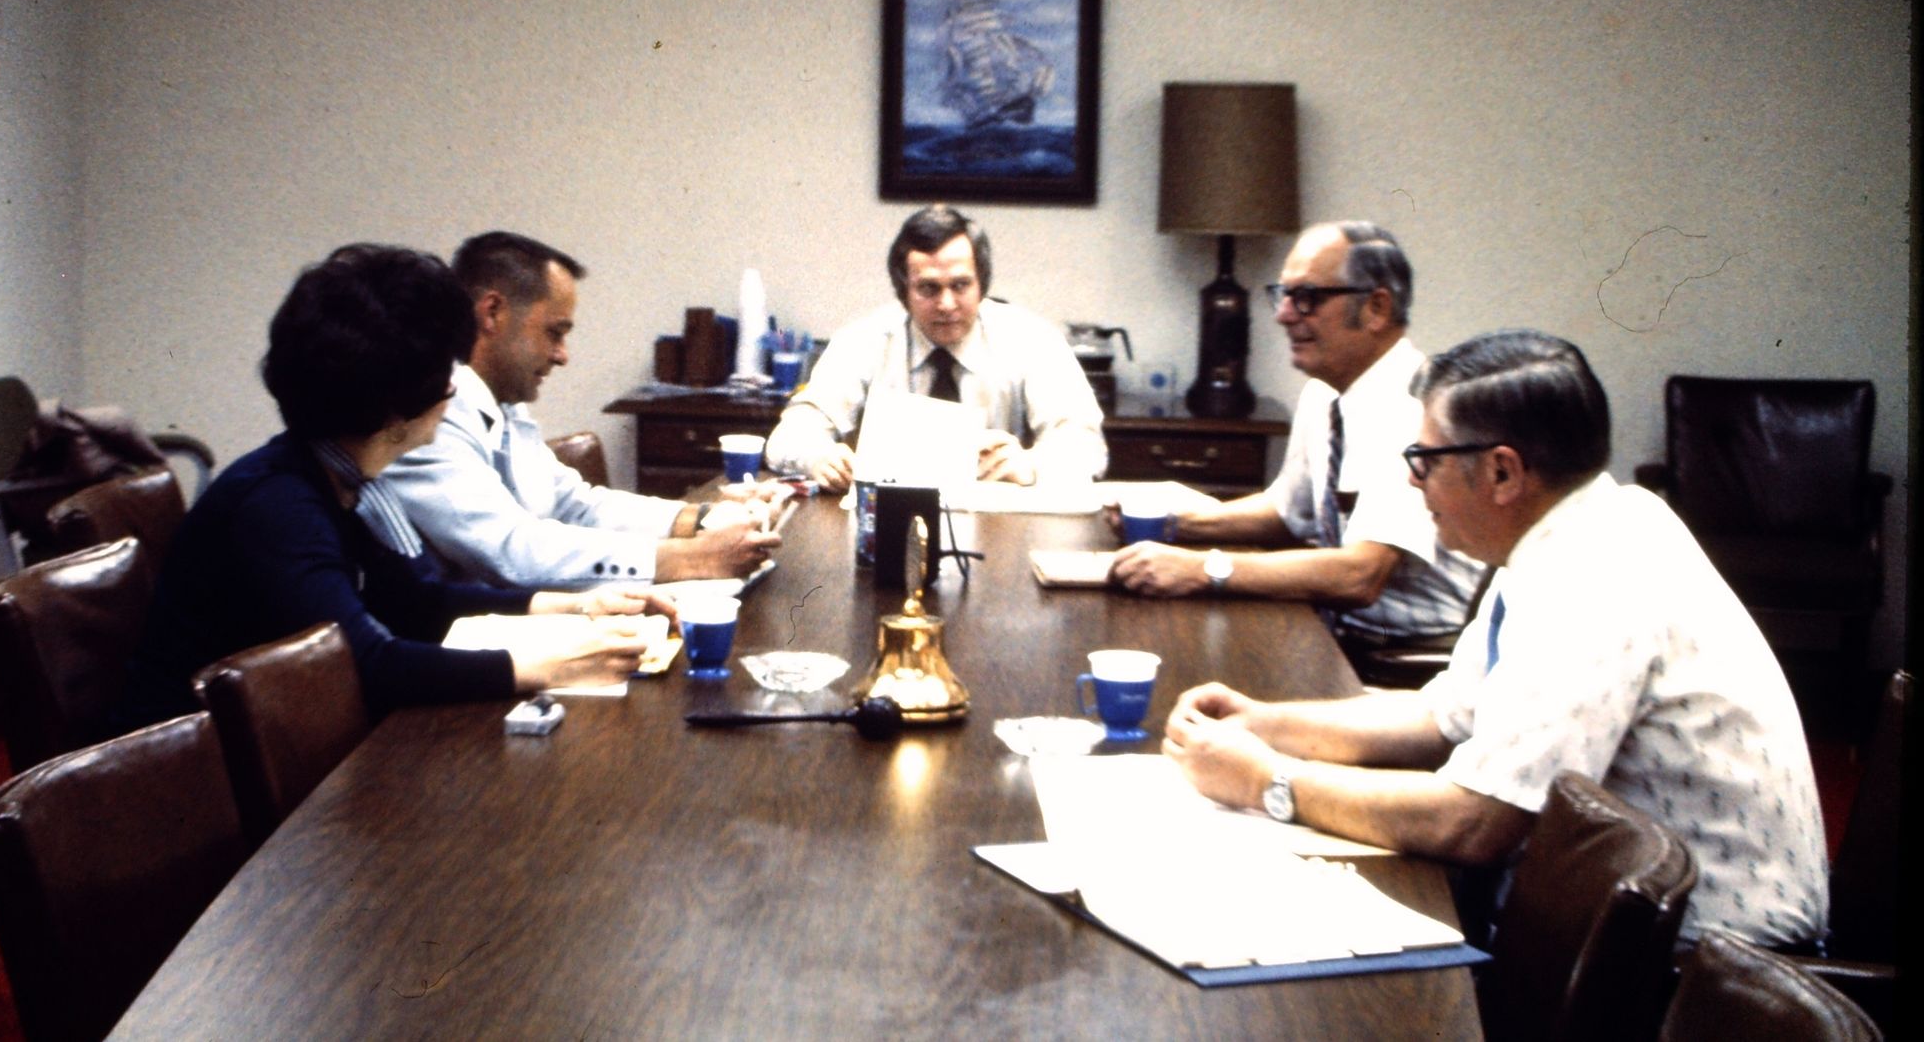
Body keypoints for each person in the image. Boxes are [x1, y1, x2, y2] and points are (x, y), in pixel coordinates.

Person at [1161, 329, 1828, 948]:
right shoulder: (1572, 527)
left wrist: (1267, 780)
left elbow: (1477, 822)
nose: (1412, 480)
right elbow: (1444, 715)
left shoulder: (1597, 577)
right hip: (1617, 919)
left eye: (1424, 459)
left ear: (1503, 472)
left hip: (1707, 965)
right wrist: (1267, 723)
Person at [119, 245, 655, 729]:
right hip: (202, 775)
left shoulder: (342, 477)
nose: (453, 387)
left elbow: (414, 601)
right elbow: (367, 666)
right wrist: (550, 665)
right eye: (444, 370)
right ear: (398, 402)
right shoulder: (276, 507)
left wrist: (574, 607)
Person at [1110, 222, 1484, 659]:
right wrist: (1166, 522)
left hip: (1404, 658)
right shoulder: (1325, 392)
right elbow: (1289, 513)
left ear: (1376, 308)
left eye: (1306, 298)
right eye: (1283, 295)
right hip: (1340, 631)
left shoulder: (1412, 409)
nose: (1284, 315)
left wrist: (1201, 568)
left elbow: (1361, 576)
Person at [382, 231, 784, 591]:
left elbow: (576, 505)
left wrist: (700, 518)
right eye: (554, 332)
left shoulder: (502, 406)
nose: (562, 355)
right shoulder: (431, 414)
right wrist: (689, 559)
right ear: (492, 313)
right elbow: (508, 551)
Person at [764, 204, 1106, 491]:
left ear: (982, 284)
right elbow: (789, 436)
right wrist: (817, 457)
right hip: (888, 524)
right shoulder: (863, 341)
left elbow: (1087, 446)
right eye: (929, 288)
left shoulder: (1032, 339)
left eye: (960, 285)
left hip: (1000, 526)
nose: (946, 304)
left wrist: (1032, 465)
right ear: (904, 291)